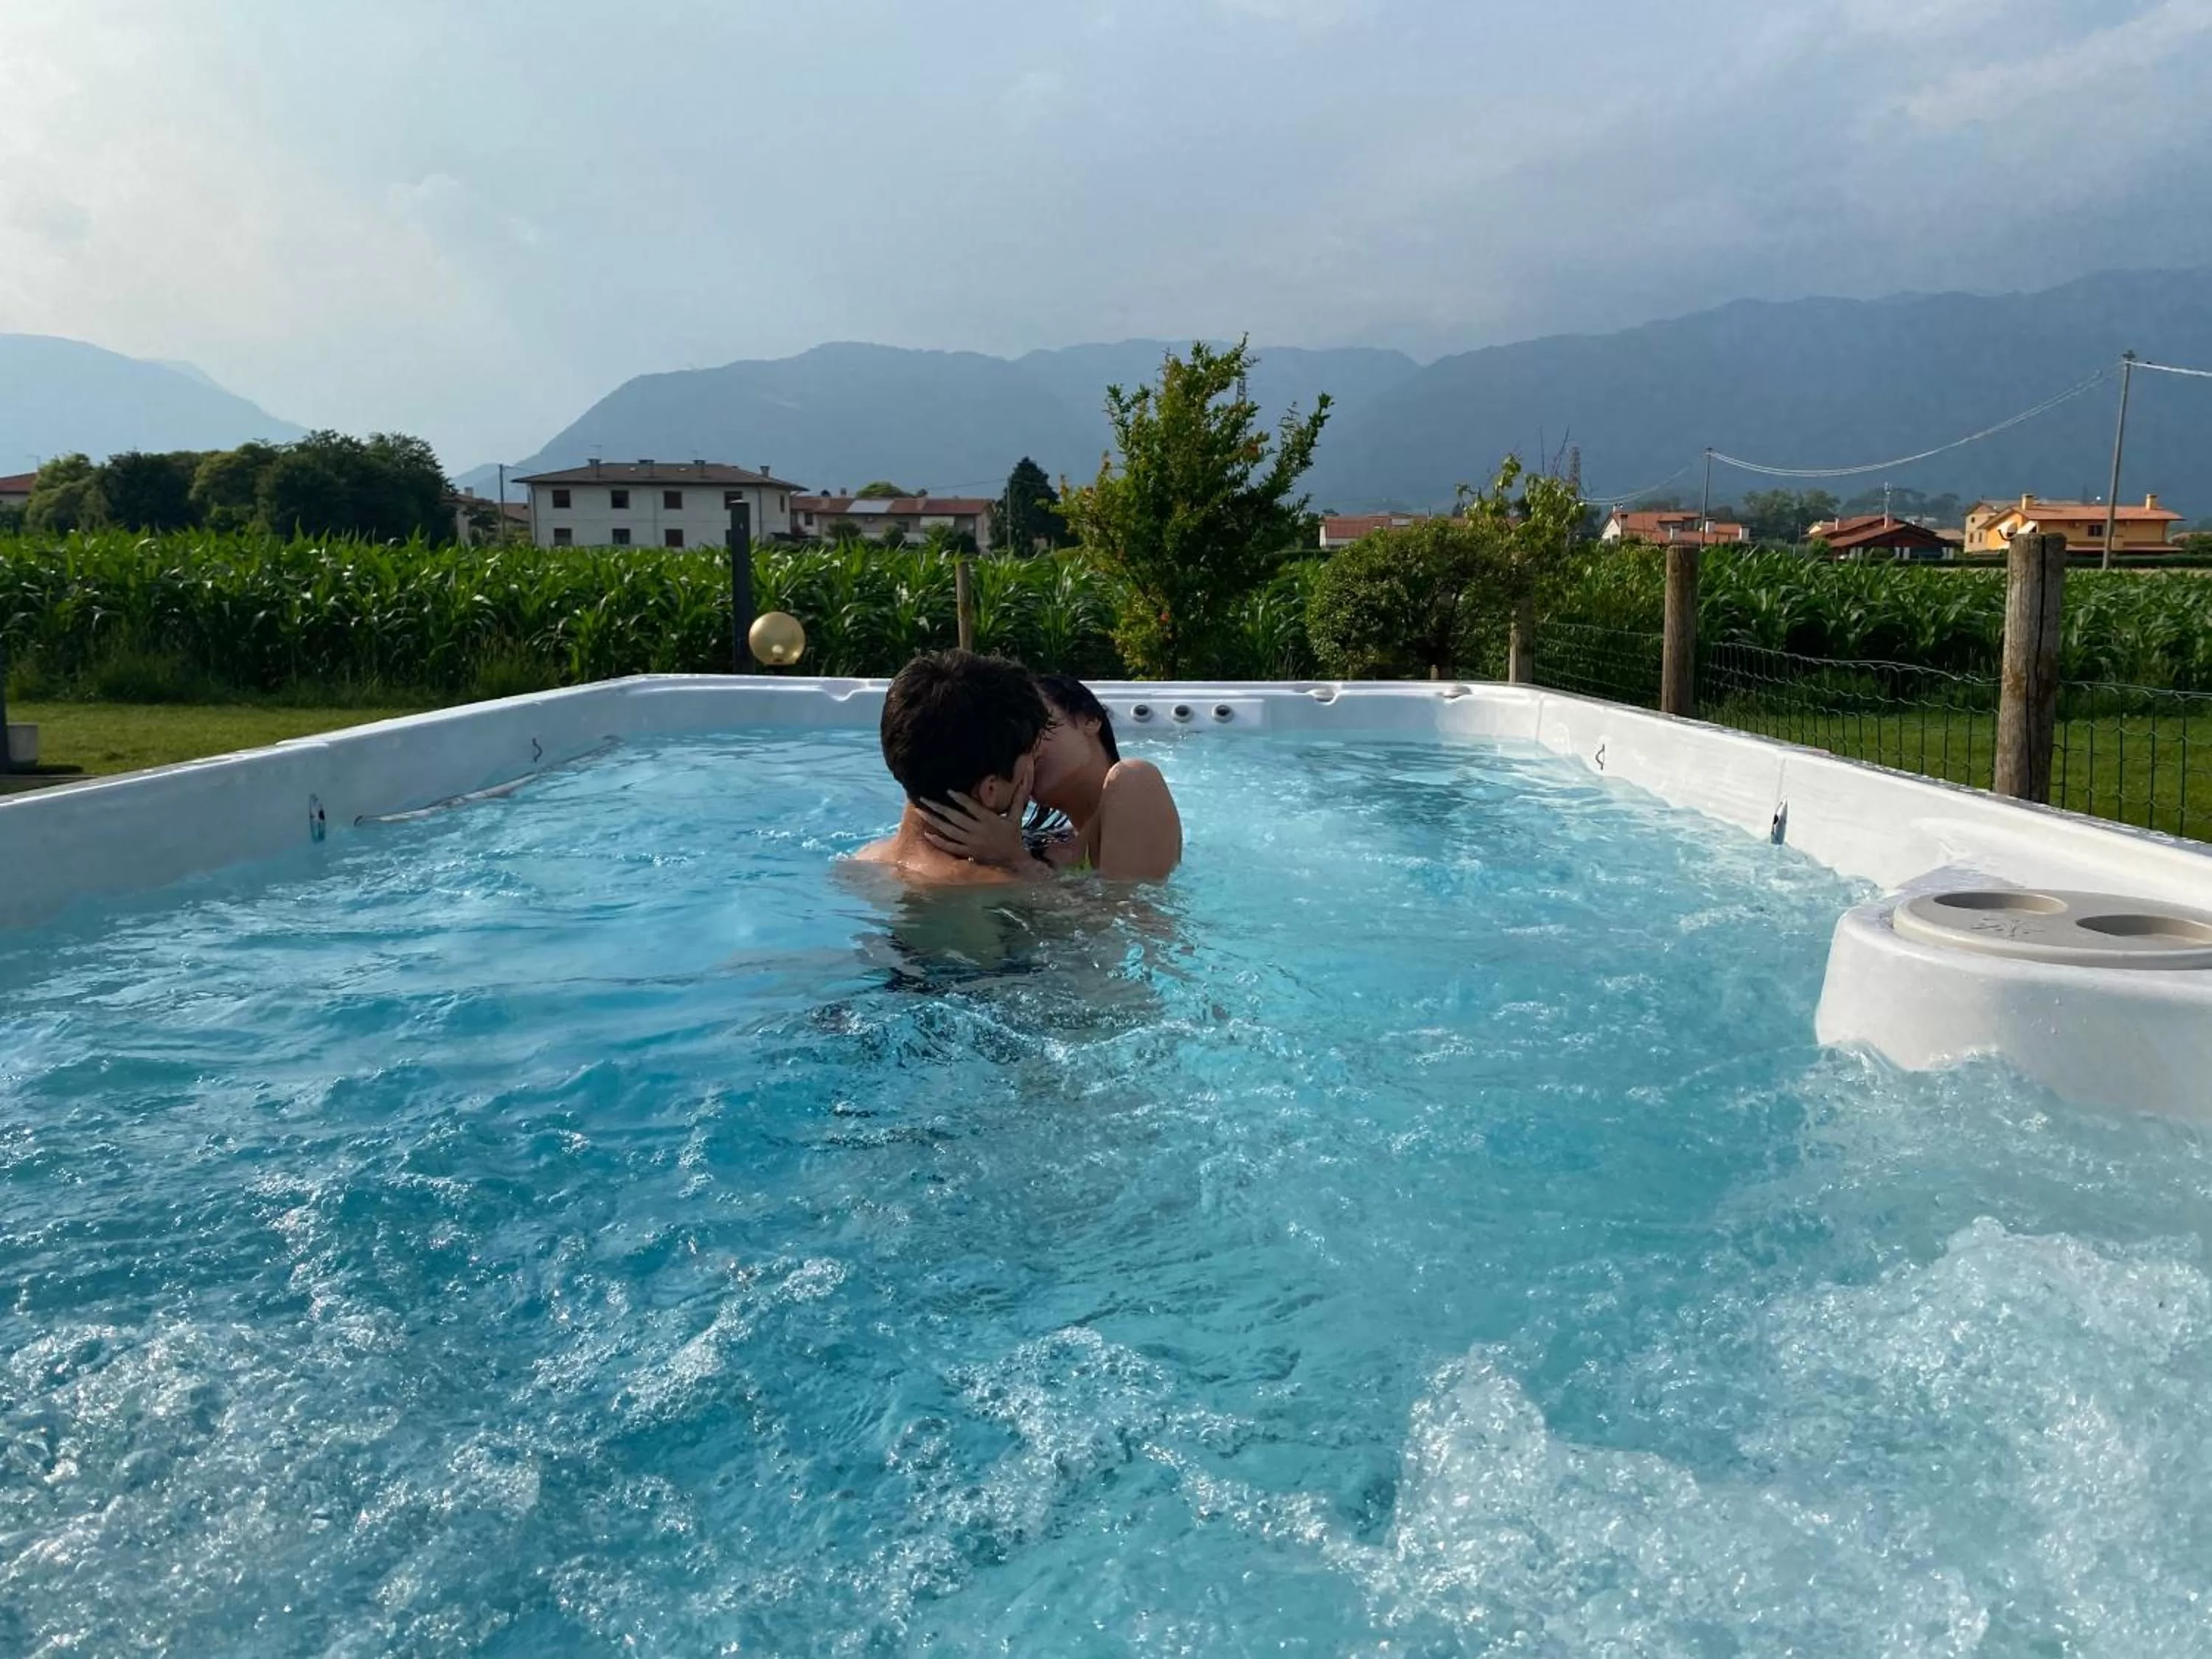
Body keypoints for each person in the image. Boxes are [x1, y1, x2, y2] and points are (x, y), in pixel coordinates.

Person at [920, 671, 1182, 881]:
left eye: (1036, 725)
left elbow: (1130, 927)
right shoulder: (1055, 841)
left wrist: (1014, 860)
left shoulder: (1133, 779)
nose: (1025, 748)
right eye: (1016, 739)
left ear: (1089, 720)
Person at [850, 650, 1052, 884]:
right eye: (1032, 755)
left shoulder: (862, 861)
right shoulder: (993, 884)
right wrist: (1018, 860)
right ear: (990, 790)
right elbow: (1091, 913)